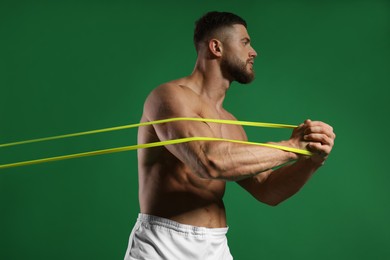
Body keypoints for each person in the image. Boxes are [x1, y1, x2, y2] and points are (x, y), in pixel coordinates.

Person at [124, 11, 335, 260]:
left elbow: (267, 190)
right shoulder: (168, 97)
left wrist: (309, 160)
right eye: (245, 42)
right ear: (216, 47)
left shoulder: (230, 122)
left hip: (215, 247)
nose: (253, 51)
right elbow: (208, 162)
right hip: (163, 246)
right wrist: (291, 146)